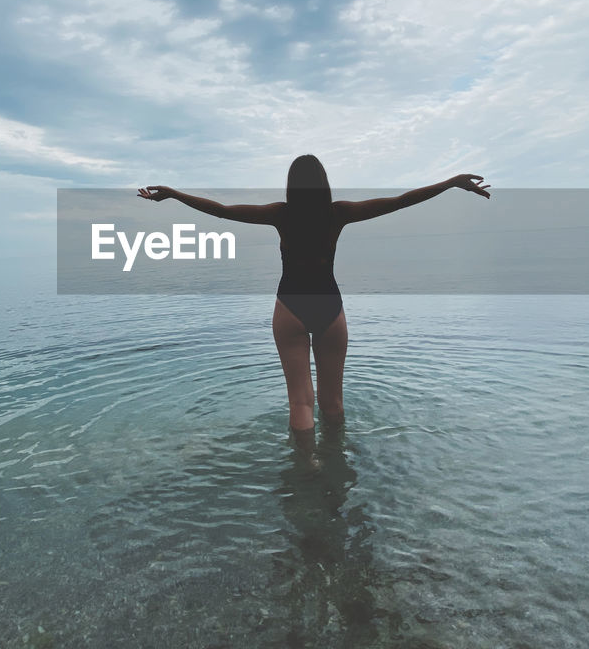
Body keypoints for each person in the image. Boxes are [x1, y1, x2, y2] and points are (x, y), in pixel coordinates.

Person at [138, 156, 490, 456]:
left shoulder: (281, 214)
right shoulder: (338, 213)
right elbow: (401, 200)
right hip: (329, 307)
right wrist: (451, 183)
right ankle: (336, 466)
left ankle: (305, 472)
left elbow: (223, 211)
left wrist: (173, 195)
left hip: (290, 305)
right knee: (332, 403)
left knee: (300, 402)